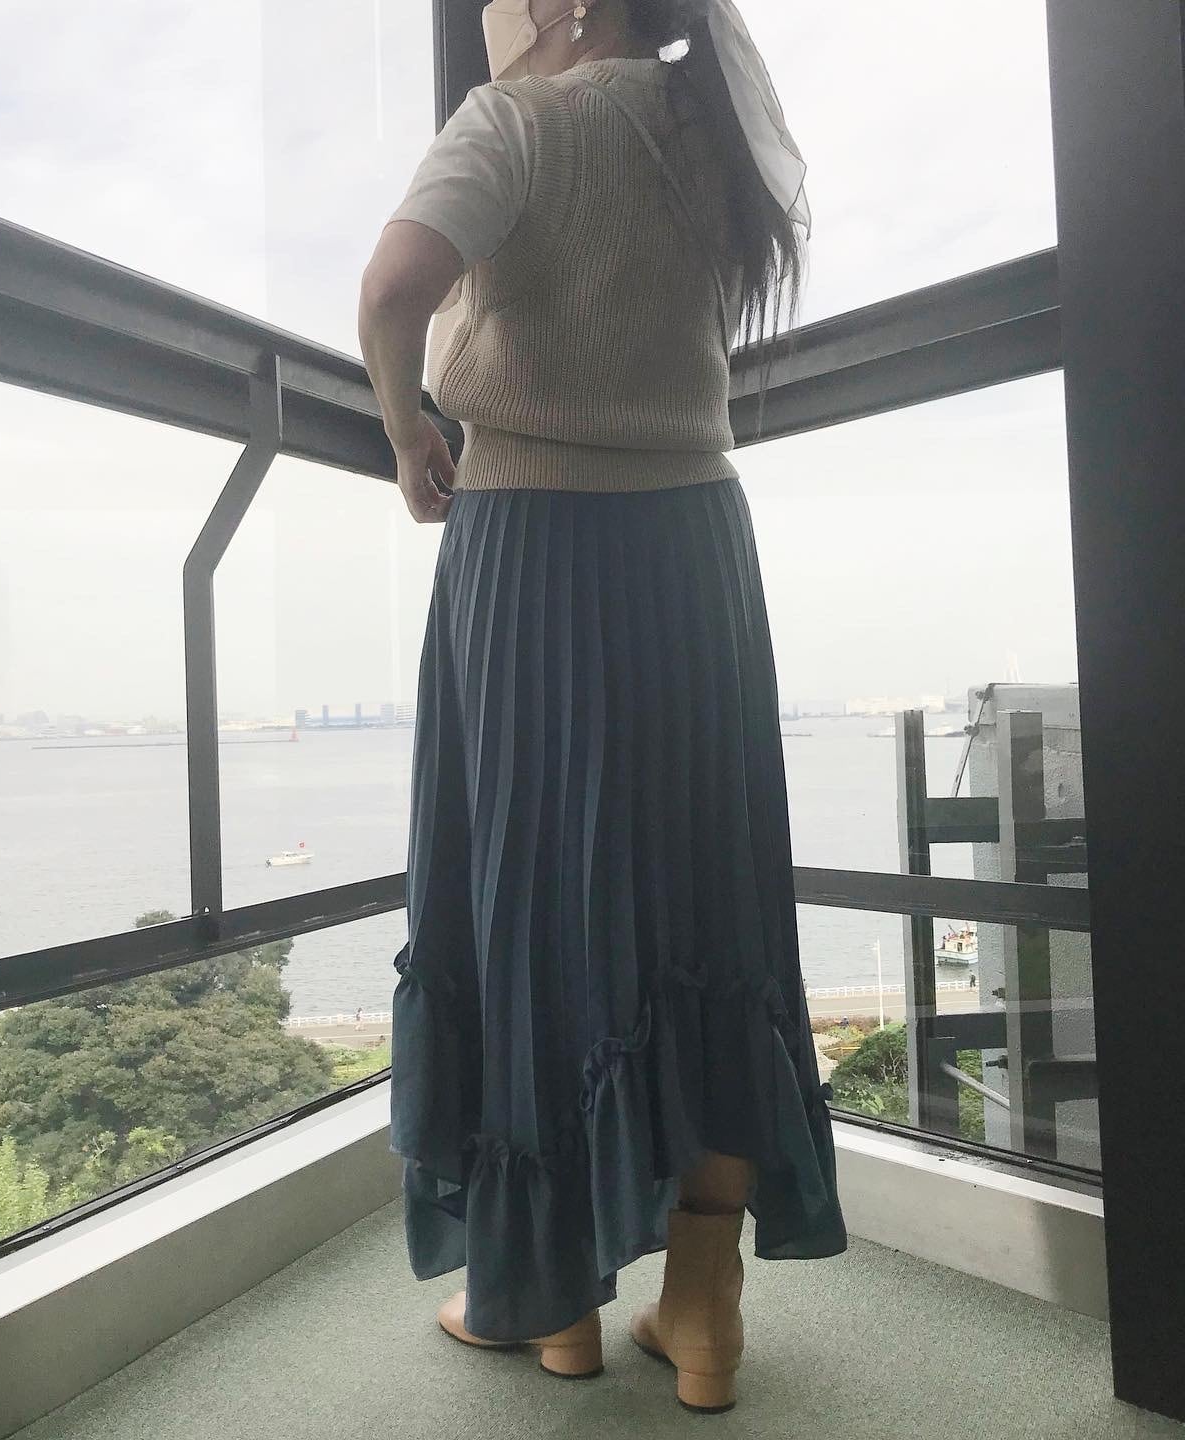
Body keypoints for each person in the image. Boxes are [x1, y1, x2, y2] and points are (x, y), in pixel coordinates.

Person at [358, 0, 846, 1414]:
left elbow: (391, 291)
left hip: (533, 546)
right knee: (711, 903)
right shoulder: (717, 132)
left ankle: (551, 1301)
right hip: (693, 550)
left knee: (529, 903)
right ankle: (703, 1310)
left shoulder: (515, 121)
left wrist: (407, 429)